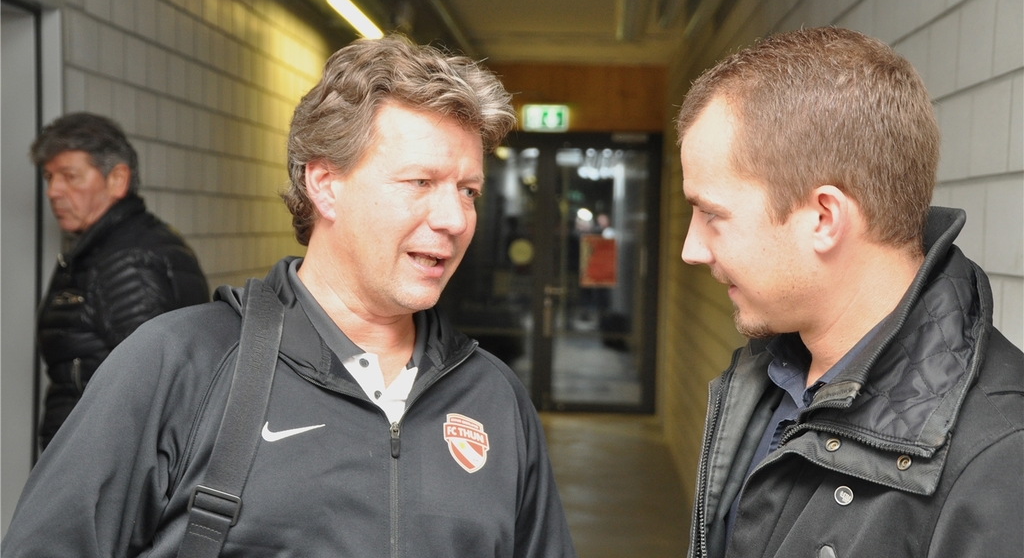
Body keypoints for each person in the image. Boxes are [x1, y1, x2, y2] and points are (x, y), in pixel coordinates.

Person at [2, 35, 577, 558]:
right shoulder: (177, 366)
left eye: (468, 190)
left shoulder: (495, 399)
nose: (454, 218)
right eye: (420, 182)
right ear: (324, 184)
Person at [677, 27, 1023, 558]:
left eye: (711, 215)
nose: (691, 250)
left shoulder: (1001, 455)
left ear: (823, 217)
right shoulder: (771, 376)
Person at [29, 112, 209, 450]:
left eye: (70, 176)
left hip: (103, 469)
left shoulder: (129, 259)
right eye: (49, 177)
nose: (53, 191)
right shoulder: (98, 248)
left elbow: (154, 393)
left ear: (117, 179)